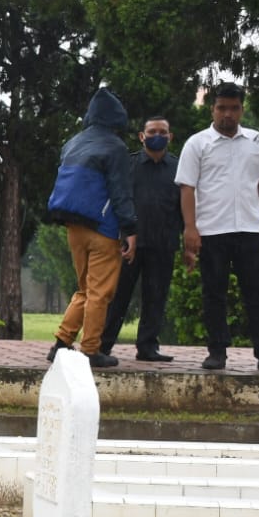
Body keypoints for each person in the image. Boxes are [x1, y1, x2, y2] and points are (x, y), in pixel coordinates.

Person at [175, 82, 259, 372]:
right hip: (212, 231)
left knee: (256, 293)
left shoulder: (257, 141)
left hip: (250, 230)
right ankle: (217, 352)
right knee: (214, 293)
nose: (227, 114)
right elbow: (187, 189)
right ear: (212, 109)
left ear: (242, 110)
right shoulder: (197, 144)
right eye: (222, 108)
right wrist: (190, 228)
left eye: (234, 108)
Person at [45, 87, 138, 368]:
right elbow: (121, 192)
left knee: (85, 288)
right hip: (103, 229)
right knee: (100, 292)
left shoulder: (72, 143)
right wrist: (130, 229)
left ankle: (62, 343)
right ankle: (90, 350)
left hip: (73, 225)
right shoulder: (115, 147)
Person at [99, 115, 182, 362]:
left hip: (164, 243)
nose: (157, 136)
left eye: (162, 132)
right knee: (117, 297)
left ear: (170, 136)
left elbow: (185, 205)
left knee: (156, 298)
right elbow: (117, 200)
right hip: (128, 243)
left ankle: (147, 347)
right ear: (142, 136)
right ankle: (102, 346)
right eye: (152, 131)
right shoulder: (128, 165)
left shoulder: (179, 168)